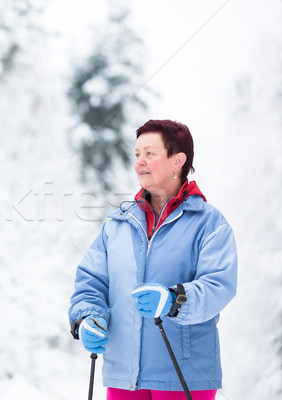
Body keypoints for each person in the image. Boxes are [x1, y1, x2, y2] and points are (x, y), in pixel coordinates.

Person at [68, 120, 237, 400]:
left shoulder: (209, 224)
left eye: (149, 153)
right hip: (125, 377)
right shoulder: (119, 224)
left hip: (184, 377)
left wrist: (174, 300)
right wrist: (87, 317)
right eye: (136, 155)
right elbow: (91, 281)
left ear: (177, 161)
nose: (140, 162)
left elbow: (219, 285)